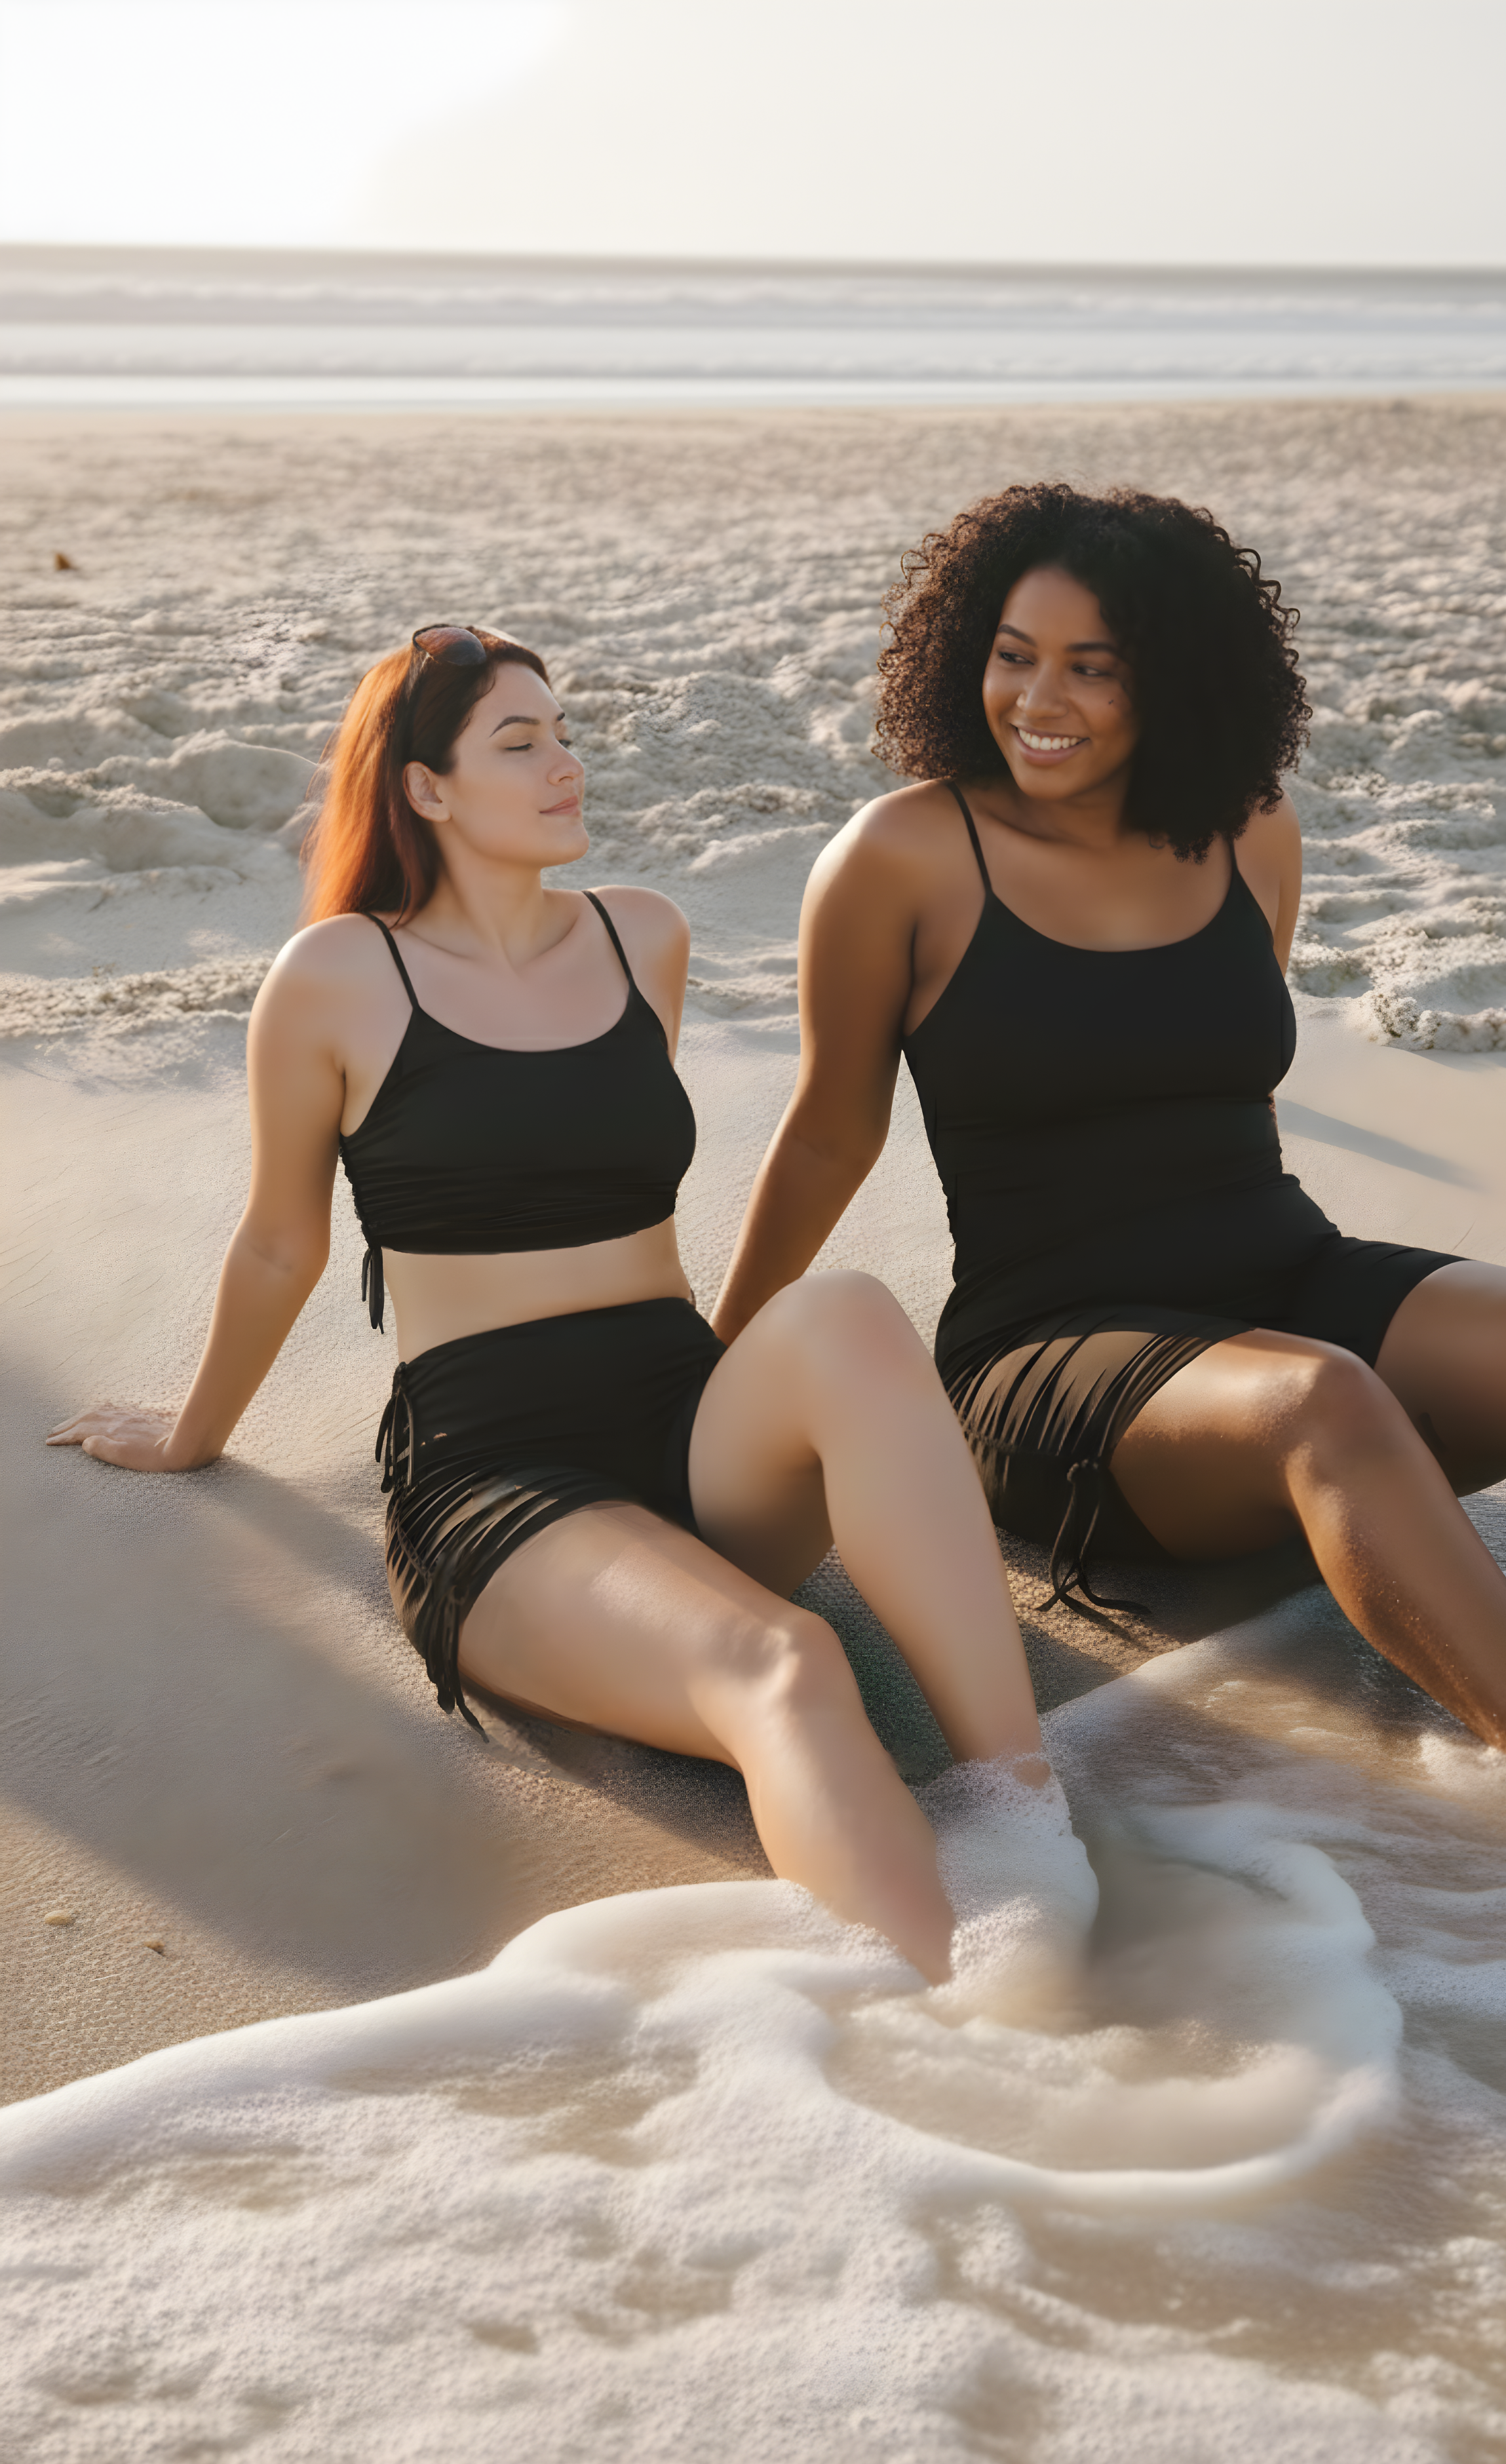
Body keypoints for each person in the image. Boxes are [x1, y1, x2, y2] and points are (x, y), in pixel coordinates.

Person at [47, 623, 1075, 1986]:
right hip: (502, 1478)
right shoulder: (341, 977)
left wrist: (770, 1403)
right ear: (424, 789)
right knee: (791, 1666)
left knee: (849, 1312)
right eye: (518, 744)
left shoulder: (642, 937)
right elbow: (280, 1245)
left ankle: (1027, 1819)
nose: (564, 767)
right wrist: (193, 1430)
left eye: (566, 734)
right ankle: (982, 2032)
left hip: (682, 1423)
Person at [712, 487, 1506, 1821]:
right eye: (1013, 654)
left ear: (1172, 680)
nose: (1037, 699)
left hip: (1277, 1278)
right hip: (1057, 1362)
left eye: (1091, 667)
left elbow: (1221, 1084)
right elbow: (832, 1127)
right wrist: (712, 1367)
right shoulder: (904, 855)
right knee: (1323, 1404)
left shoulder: (1251, 832)